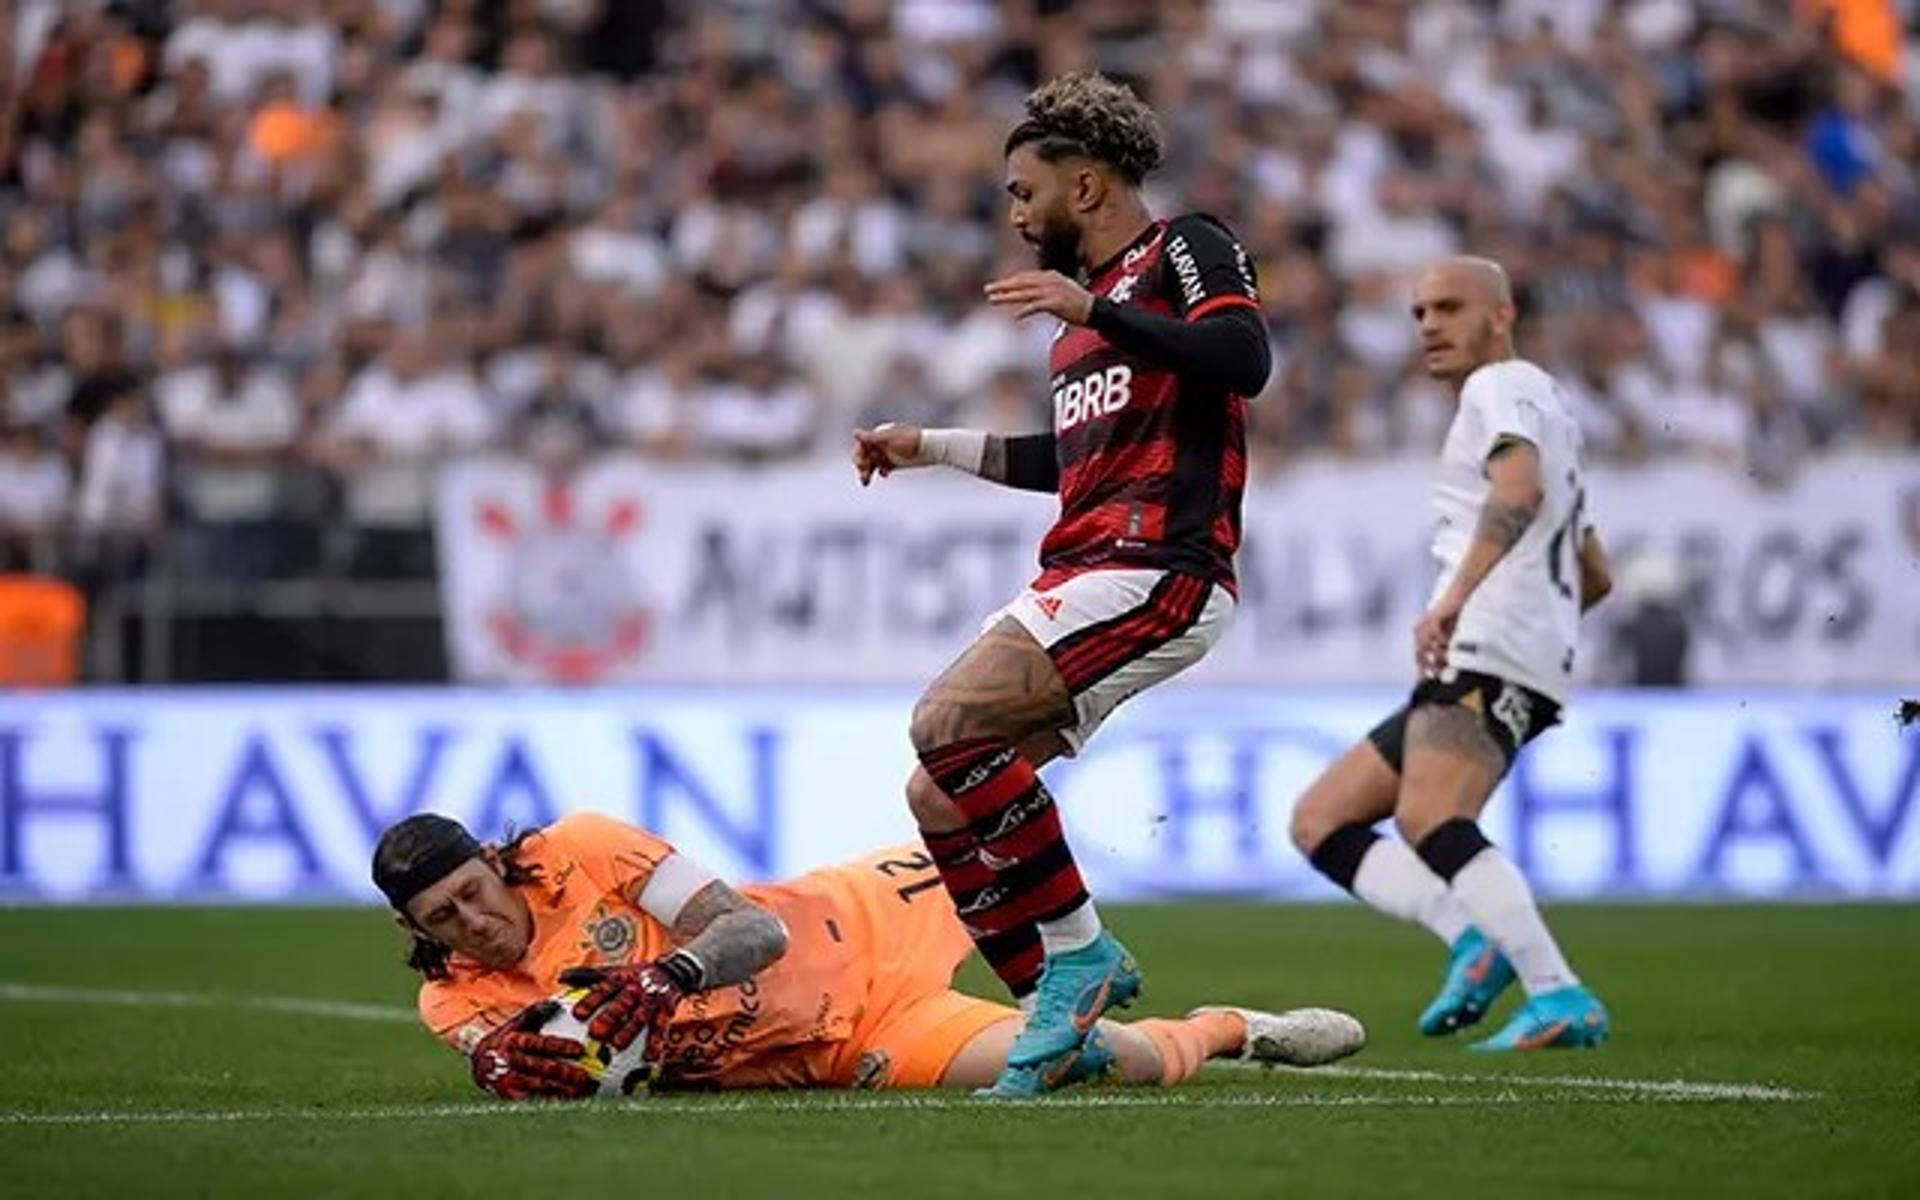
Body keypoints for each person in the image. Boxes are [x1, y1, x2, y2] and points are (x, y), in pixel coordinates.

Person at [849, 71, 1271, 1096]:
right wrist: (933, 446)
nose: (1012, 209)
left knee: (946, 722)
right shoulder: (1076, 326)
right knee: (938, 792)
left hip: (1159, 567)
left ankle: (1078, 955)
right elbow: (1076, 461)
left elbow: (1244, 357)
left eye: (1020, 188)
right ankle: (1060, 1012)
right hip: (1086, 561)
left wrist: (1098, 308)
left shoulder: (1186, 246)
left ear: (1085, 188)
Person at [372, 811, 1364, 1100]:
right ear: (418, 932)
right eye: (443, 918)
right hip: (844, 1044)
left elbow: (749, 931)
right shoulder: (456, 1003)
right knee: (1099, 1061)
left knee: (986, 821)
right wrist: (497, 1071)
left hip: (857, 913)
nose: (473, 922)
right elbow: (517, 1064)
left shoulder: (583, 847)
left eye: (472, 893)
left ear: (495, 864)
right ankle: (1234, 1029)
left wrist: (667, 974)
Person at [1288, 256, 1615, 1051]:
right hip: (1508, 641)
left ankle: (1556, 989)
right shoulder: (1549, 407)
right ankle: (1475, 941)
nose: (1429, 324)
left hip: (1492, 641)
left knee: (1431, 815)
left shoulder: (1498, 388)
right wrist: (1543, 618)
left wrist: (1458, 601)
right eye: (1419, 311)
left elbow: (1517, 493)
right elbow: (1595, 571)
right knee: (1321, 820)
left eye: (1449, 307)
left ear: (1500, 315)